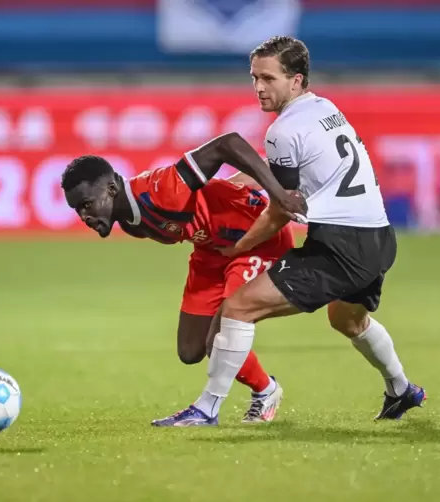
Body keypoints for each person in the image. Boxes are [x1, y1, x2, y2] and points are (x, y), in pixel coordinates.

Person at [152, 36, 426, 427]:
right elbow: (293, 167)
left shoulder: (281, 129)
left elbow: (280, 209)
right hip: (378, 237)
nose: (259, 87)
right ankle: (402, 390)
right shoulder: (325, 109)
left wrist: (240, 247)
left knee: (238, 306)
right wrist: (248, 179)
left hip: (341, 245)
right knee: (347, 321)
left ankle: (206, 409)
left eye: (268, 78)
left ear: (295, 80)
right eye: (254, 78)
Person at [61, 148, 304, 423]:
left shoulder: (160, 189)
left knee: (219, 338)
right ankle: (261, 389)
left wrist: (279, 193)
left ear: (112, 187)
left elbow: (228, 144)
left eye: (87, 204)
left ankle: (246, 397)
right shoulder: (130, 222)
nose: (83, 216)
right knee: (190, 350)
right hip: (211, 250)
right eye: (77, 209)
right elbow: (212, 192)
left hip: (254, 239)